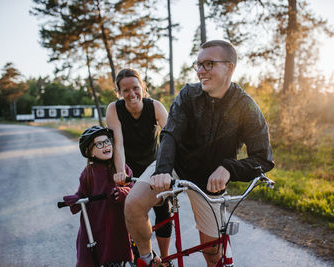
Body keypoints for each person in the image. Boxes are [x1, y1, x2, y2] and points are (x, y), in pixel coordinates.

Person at [124, 40, 275, 267]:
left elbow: (263, 158)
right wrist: (163, 170)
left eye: (208, 64)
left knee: (213, 251)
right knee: (133, 204)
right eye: (198, 65)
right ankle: (146, 259)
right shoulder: (188, 94)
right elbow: (170, 134)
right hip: (174, 165)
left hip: (211, 178)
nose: (200, 71)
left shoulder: (246, 106)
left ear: (229, 67)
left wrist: (229, 168)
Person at [105, 68, 172, 266]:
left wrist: (166, 168)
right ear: (118, 92)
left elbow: (170, 137)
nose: (131, 94)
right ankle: (143, 258)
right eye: (125, 90)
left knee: (163, 210)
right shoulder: (114, 109)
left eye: (135, 88)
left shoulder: (155, 107)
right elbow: (118, 143)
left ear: (143, 87)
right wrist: (120, 172)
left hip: (154, 165)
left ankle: (165, 259)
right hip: (128, 168)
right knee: (131, 210)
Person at [63, 126, 134, 267]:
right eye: (100, 144)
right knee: (90, 255)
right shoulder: (88, 173)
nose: (106, 146)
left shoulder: (121, 168)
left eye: (108, 142)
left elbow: (132, 189)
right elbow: (82, 193)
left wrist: (123, 192)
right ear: (91, 152)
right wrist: (75, 200)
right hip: (95, 223)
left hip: (116, 222)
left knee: (116, 252)